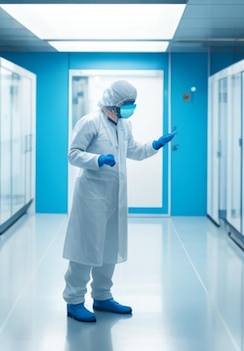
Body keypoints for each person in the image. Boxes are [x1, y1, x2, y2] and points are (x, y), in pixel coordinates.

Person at [63, 80, 176, 323]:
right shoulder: (90, 122)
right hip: (91, 196)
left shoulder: (124, 125)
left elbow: (133, 150)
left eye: (132, 104)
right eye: (127, 104)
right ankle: (74, 301)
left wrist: (155, 145)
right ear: (114, 102)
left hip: (115, 197)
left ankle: (102, 296)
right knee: (86, 248)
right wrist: (97, 160)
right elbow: (73, 154)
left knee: (109, 248)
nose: (130, 108)